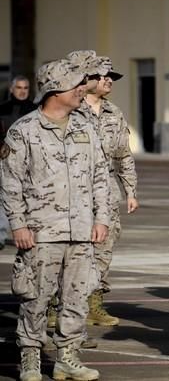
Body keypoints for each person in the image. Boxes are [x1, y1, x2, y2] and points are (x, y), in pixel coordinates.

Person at [1, 59, 109, 381]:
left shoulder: (85, 128)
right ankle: (31, 358)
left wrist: (101, 217)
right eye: (75, 85)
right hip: (40, 232)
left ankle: (68, 358)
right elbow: (10, 182)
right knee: (35, 298)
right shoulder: (24, 131)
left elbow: (100, 176)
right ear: (54, 90)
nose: (81, 90)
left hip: (81, 232)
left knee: (76, 297)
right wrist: (18, 224)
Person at [80, 55, 139, 326]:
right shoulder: (72, 109)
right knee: (72, 251)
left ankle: (94, 304)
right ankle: (57, 308)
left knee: (104, 250)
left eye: (111, 78)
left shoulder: (114, 113)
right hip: (75, 192)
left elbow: (124, 155)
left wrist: (130, 191)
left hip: (106, 193)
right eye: (103, 76)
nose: (108, 81)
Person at [0, 76, 37, 249]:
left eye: (26, 87)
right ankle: (1, 235)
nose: (22, 91)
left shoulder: (35, 110)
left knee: (29, 195)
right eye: (19, 87)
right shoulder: (2, 109)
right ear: (11, 89)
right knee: (3, 195)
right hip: (3, 158)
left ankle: (27, 232)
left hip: (30, 160)